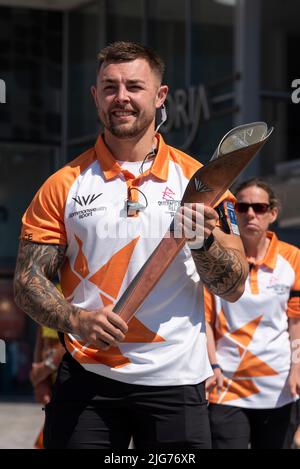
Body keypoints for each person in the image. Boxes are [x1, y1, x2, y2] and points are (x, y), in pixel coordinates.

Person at [13, 41, 248, 449]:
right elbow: (27, 282)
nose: (121, 97)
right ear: (95, 96)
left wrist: (202, 240)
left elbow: (233, 285)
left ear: (160, 96)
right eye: (109, 87)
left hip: (176, 382)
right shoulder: (63, 184)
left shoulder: (203, 182)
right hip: (89, 380)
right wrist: (76, 320)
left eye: (134, 87)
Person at [205, 178, 300, 449]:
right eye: (242, 207)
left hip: (279, 388)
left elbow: (296, 322)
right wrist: (212, 366)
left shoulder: (292, 258)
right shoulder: (215, 257)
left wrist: (297, 368)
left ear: (272, 213)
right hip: (227, 388)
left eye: (259, 208)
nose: (250, 214)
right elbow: (206, 320)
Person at [30, 323, 65, 449]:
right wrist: (41, 382)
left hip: (70, 380)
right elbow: (41, 337)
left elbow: (74, 341)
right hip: (52, 380)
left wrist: (46, 368)